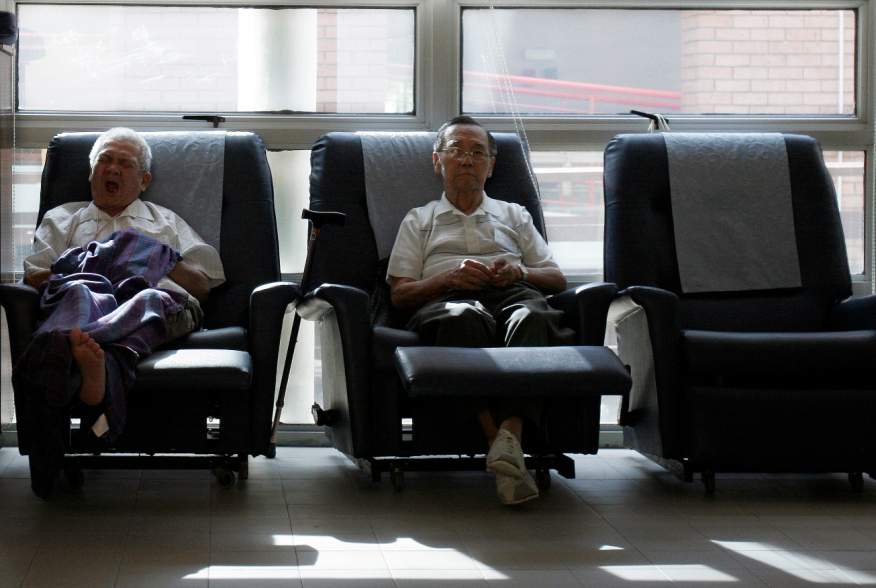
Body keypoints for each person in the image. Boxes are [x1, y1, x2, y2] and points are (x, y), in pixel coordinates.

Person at [18, 127, 225, 498]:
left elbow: (202, 284)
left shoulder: (165, 222)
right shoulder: (63, 219)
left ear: (143, 180)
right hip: (87, 302)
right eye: (104, 161)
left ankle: (75, 348)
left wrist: (147, 253)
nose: (112, 169)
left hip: (155, 304)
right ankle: (95, 362)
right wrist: (94, 263)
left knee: (144, 299)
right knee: (81, 290)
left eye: (124, 164)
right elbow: (34, 275)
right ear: (91, 172)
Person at [387, 115, 569, 505]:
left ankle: (508, 439)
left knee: (533, 316)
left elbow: (556, 278)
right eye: (456, 150)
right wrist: (447, 279)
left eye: (477, 152)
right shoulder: (419, 220)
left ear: (491, 165)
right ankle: (499, 442)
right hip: (445, 300)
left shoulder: (514, 214)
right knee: (462, 319)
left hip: (513, 292)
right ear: (438, 162)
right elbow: (400, 295)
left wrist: (519, 270)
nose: (466, 160)